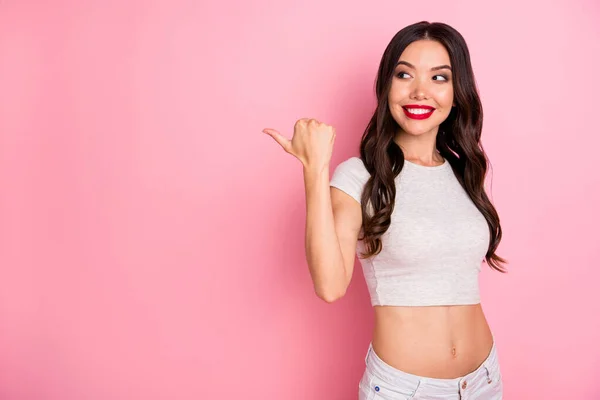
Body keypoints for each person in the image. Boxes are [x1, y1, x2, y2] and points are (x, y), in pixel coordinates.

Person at [263, 20, 506, 399]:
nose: (420, 91)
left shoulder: (464, 172)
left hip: (482, 383)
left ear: (458, 93)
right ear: (386, 87)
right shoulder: (361, 176)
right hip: (403, 389)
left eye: (439, 78)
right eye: (404, 74)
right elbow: (329, 286)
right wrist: (315, 168)